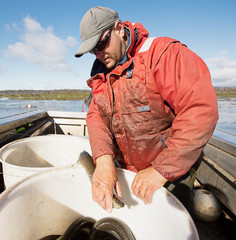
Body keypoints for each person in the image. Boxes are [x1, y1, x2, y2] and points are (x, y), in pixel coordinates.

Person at [75, 6, 218, 213]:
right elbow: (96, 114)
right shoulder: (101, 70)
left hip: (171, 173)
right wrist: (104, 160)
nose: (98, 54)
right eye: (92, 49)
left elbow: (200, 110)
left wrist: (161, 170)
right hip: (128, 173)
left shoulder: (165, 54)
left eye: (101, 43)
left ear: (119, 29)